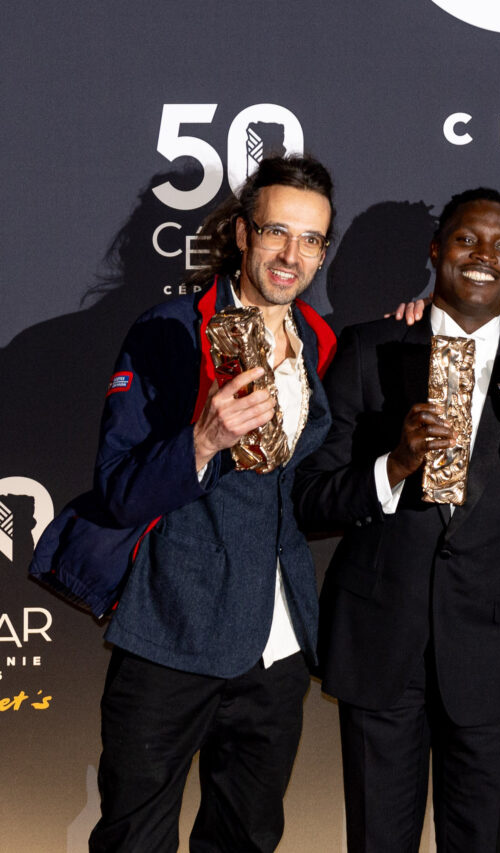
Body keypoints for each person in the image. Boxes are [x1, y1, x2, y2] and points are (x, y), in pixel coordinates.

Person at [293, 187, 500, 853]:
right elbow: (309, 500)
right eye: (467, 240)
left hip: (486, 655)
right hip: (378, 645)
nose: (485, 256)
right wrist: (395, 465)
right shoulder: (369, 348)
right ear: (436, 251)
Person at [68, 154, 337, 852]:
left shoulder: (320, 340)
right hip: (172, 629)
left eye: (310, 239)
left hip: (276, 646)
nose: (292, 255)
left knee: (245, 838)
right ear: (243, 235)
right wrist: (203, 440)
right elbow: (117, 487)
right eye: (276, 231)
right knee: (135, 838)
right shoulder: (169, 330)